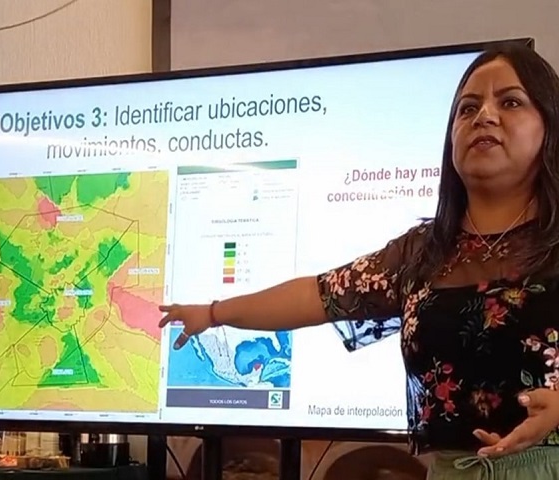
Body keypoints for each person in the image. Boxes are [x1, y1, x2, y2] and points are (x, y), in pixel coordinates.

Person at [158, 43, 559, 479]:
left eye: (510, 102)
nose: (484, 116)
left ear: (550, 124)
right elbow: (316, 295)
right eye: (467, 108)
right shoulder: (421, 254)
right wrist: (214, 313)